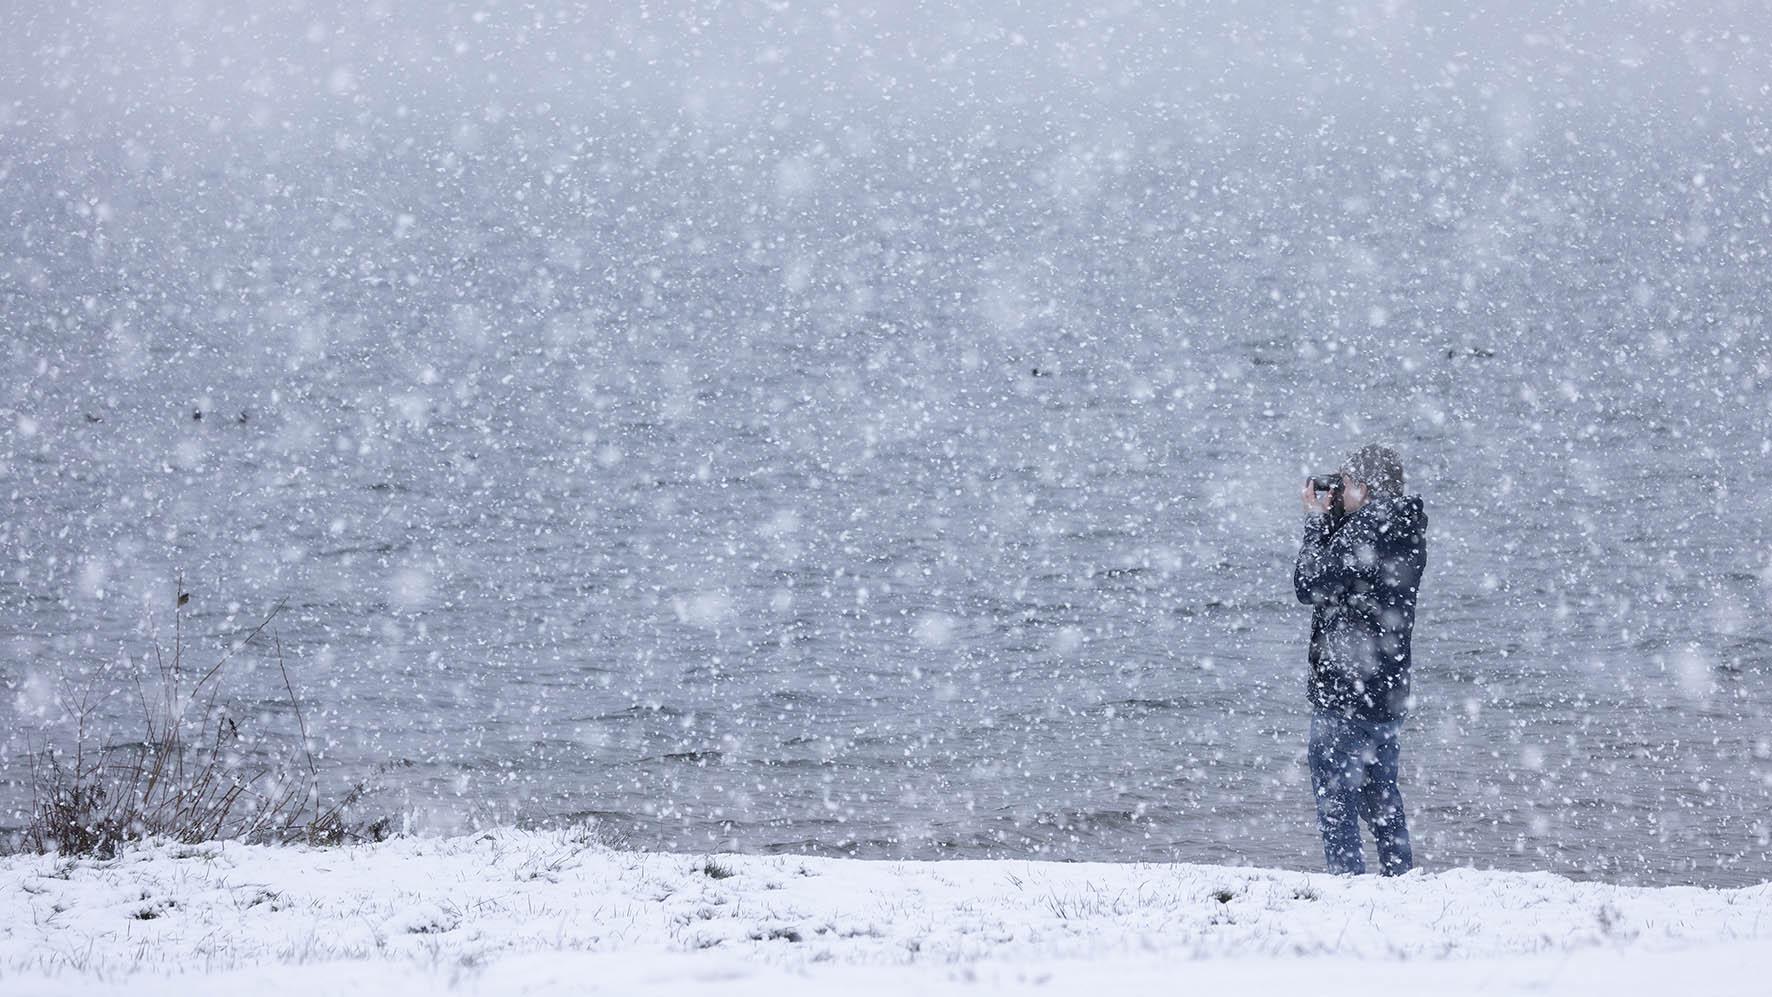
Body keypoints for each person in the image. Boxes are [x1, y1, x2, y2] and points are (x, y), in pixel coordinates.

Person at [1293, 444, 1427, 876]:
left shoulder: (1365, 529)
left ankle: (1347, 885)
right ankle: (1401, 882)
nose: (1340, 490)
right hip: (1386, 690)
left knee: (1337, 802)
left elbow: (1310, 584)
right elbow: (1351, 579)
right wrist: (1337, 522)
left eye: (1347, 484)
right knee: (1383, 801)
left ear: (1366, 490)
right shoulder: (1404, 527)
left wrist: (1316, 523)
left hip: (1345, 692)